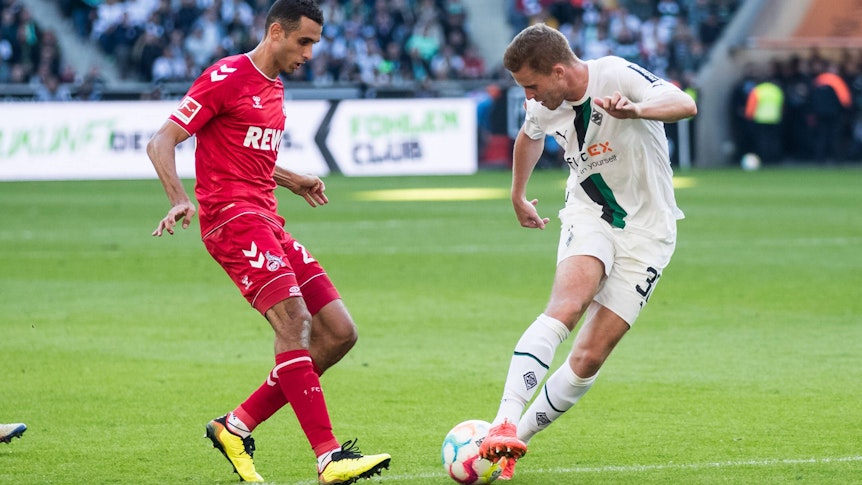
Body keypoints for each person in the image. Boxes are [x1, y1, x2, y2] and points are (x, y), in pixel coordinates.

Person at [146, 1, 390, 483]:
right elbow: (162, 140)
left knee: (339, 332)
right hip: (232, 221)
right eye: (304, 42)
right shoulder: (227, 76)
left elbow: (241, 153)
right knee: (295, 320)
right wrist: (178, 197)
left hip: (267, 219)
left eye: (315, 44)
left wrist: (290, 178)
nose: (310, 53)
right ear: (276, 32)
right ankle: (329, 457)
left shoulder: (275, 88)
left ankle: (234, 427)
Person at [477, 23, 696, 480]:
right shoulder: (541, 102)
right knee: (567, 306)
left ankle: (517, 438)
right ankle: (502, 420)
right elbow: (529, 135)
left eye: (533, 86)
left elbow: (685, 103)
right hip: (590, 214)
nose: (530, 98)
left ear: (559, 72)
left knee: (590, 357)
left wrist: (637, 110)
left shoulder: (614, 73)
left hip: (650, 231)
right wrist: (518, 194)